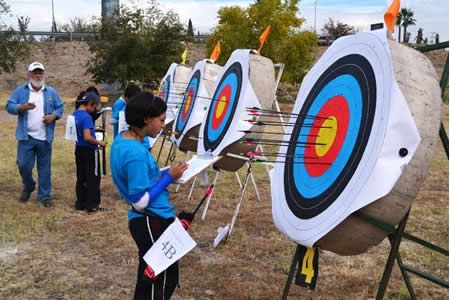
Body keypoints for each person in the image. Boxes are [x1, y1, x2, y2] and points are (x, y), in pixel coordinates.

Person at [110, 92, 190, 299]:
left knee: (151, 280)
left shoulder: (124, 141)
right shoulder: (134, 153)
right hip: (150, 220)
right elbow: (139, 201)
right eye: (161, 120)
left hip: (150, 220)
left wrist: (166, 173)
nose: (163, 125)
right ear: (146, 119)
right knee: (160, 281)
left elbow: (143, 177)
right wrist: (168, 178)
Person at [6, 61, 64, 207]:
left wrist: (54, 116)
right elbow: (9, 105)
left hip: (45, 137)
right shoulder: (21, 91)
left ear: (43, 74)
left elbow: (60, 107)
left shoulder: (51, 92)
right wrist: (21, 107)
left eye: (40, 73)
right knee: (23, 164)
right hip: (26, 137)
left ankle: (44, 196)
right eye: (35, 73)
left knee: (44, 168)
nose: (38, 76)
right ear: (29, 74)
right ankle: (29, 185)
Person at [73, 91, 106, 214]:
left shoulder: (75, 114)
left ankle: (80, 202)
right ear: (90, 104)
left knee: (81, 177)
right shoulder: (87, 117)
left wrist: (93, 129)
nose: (94, 109)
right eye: (94, 106)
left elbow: (80, 132)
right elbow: (87, 137)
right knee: (93, 177)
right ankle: (92, 205)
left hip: (79, 148)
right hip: (90, 150)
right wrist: (99, 142)